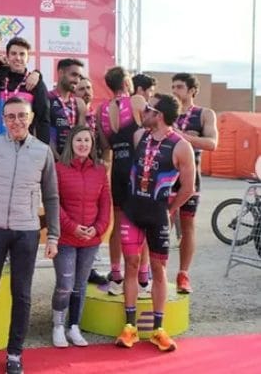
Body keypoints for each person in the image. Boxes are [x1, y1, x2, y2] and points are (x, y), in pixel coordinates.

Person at [0, 96, 59, 374]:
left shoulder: (43, 151)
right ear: (4, 120)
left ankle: (15, 353)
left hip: (26, 231)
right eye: (11, 116)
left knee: (22, 294)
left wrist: (53, 235)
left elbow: (51, 197)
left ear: (30, 118)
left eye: (22, 116)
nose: (16, 121)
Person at [115, 93, 195, 352]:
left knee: (159, 270)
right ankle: (130, 327)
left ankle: (159, 330)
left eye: (149, 109)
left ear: (159, 115)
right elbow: (137, 103)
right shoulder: (140, 136)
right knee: (131, 264)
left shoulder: (182, 146)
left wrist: (170, 210)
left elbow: (188, 188)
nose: (144, 112)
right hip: (132, 210)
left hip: (157, 214)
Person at [51, 126, 110, 348]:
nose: (83, 144)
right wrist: (72, 227)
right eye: (79, 140)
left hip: (90, 239)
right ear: (71, 143)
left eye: (87, 140)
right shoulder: (58, 169)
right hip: (66, 238)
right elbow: (53, 203)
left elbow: (105, 203)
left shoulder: (100, 170)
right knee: (65, 284)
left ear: (92, 144)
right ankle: (57, 326)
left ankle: (73, 326)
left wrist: (98, 228)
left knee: (80, 285)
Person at [96, 67, 146, 297]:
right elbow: (149, 133)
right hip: (137, 170)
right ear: (127, 81)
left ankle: (116, 274)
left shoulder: (102, 109)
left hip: (117, 169)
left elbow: (106, 146)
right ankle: (143, 277)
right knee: (142, 223)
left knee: (118, 224)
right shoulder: (137, 101)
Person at [170, 73, 217, 294]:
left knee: (188, 227)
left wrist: (183, 137)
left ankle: (183, 275)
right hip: (166, 178)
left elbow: (212, 143)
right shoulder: (167, 112)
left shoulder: (204, 114)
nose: (175, 91)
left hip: (190, 179)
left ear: (191, 91)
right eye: (173, 87)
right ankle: (151, 274)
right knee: (161, 226)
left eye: (179, 87)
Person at [75, 76, 110, 287]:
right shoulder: (73, 114)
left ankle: (91, 267)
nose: (86, 91)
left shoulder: (98, 115)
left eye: (89, 87)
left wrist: (105, 160)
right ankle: (76, 268)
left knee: (96, 218)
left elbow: (105, 142)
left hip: (95, 173)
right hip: (77, 174)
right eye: (81, 89)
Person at [0, 37, 49, 142]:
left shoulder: (36, 83)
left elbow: (43, 120)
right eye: (13, 54)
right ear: (7, 56)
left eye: (22, 54)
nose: (18, 58)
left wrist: (43, 148)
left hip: (23, 144)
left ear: (28, 58)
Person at [48, 58, 87, 157]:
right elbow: (41, 132)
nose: (77, 80)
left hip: (72, 162)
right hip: (50, 160)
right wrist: (57, 159)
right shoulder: (47, 98)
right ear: (61, 73)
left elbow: (81, 135)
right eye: (74, 75)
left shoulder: (80, 103)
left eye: (80, 77)